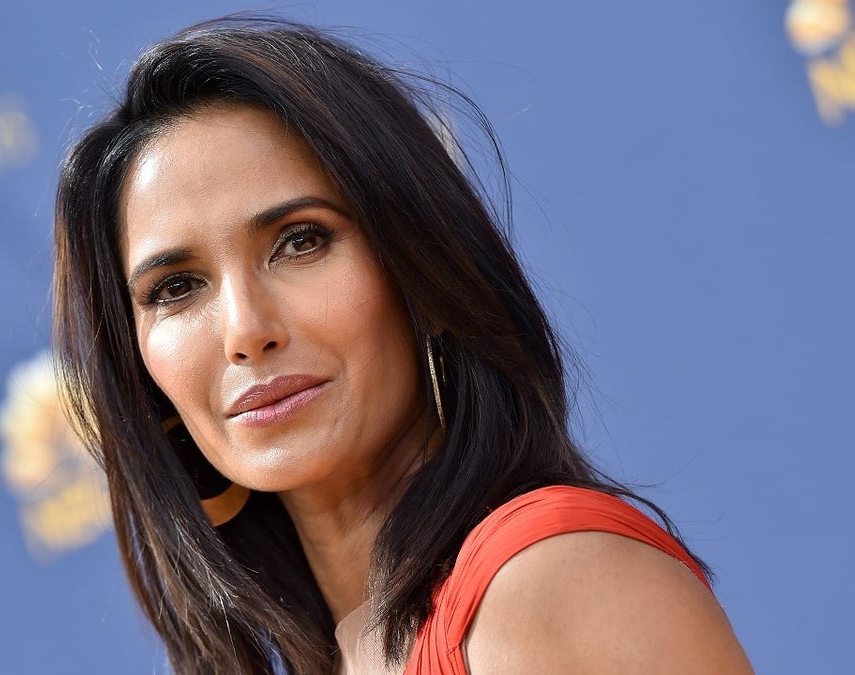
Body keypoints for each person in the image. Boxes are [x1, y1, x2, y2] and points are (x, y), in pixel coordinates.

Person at [51, 17, 753, 675]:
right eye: (176, 288)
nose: (244, 330)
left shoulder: (547, 582)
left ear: (421, 268)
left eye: (301, 241)